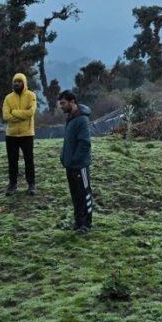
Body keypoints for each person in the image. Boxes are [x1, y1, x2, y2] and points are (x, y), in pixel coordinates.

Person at [58, 90, 94, 235]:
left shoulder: (81, 120)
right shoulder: (71, 118)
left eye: (63, 103)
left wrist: (75, 160)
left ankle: (87, 224)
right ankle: (78, 222)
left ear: (72, 102)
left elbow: (85, 143)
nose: (61, 106)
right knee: (75, 195)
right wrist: (63, 157)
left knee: (84, 194)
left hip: (80, 167)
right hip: (70, 166)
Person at [2, 72, 37, 195]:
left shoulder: (31, 95)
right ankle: (12, 185)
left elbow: (31, 112)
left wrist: (14, 112)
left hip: (27, 134)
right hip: (11, 135)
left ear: (24, 83)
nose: (16, 83)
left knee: (29, 160)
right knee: (12, 161)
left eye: (19, 81)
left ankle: (31, 184)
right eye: (15, 81)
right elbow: (6, 116)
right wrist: (22, 115)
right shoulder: (8, 98)